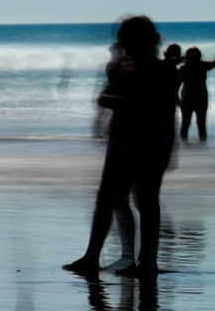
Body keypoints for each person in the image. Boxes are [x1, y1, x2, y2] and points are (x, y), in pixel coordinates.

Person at [64, 15, 178, 277]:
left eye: (126, 40)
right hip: (127, 140)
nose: (123, 45)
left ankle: (147, 262)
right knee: (107, 199)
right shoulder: (118, 67)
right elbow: (105, 97)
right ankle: (93, 256)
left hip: (148, 142)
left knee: (145, 200)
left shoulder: (164, 71)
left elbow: (160, 108)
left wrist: (120, 100)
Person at [179, 46, 208, 142]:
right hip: (201, 98)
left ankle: (183, 144)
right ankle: (203, 145)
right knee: (201, 124)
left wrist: (176, 99)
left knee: (185, 124)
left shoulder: (183, 69)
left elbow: (176, 85)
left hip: (187, 98)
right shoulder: (203, 66)